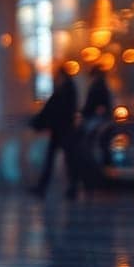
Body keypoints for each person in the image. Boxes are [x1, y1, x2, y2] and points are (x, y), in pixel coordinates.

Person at [30, 66, 79, 199]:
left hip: (62, 130)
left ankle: (46, 187)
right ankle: (69, 187)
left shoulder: (64, 90)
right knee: (63, 159)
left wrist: (40, 122)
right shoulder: (67, 89)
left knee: (58, 159)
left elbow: (53, 108)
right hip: (62, 129)